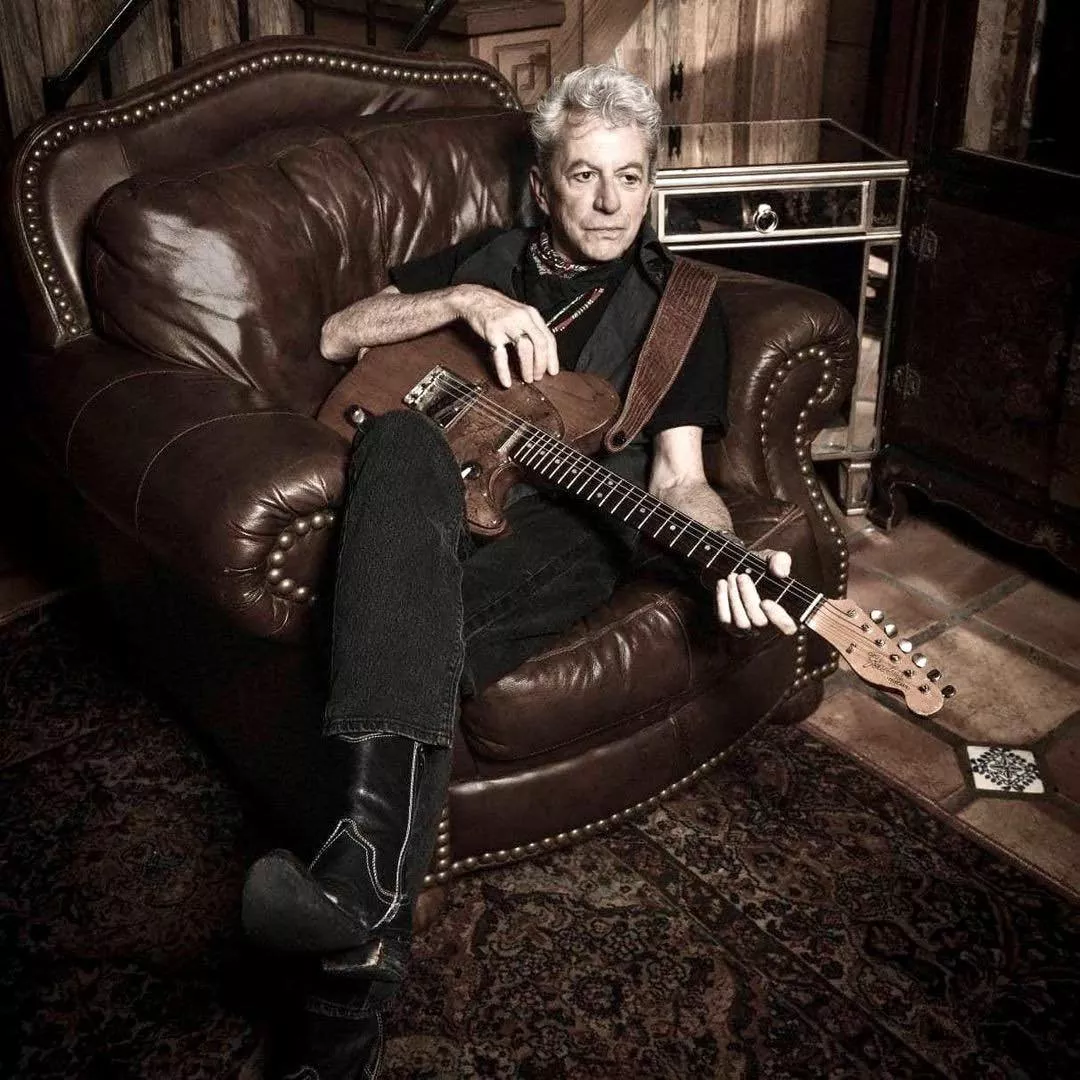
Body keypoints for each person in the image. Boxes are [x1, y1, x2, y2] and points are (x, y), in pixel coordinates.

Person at [242, 64, 797, 1078]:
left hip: (570, 523)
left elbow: (680, 480)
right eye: (584, 175)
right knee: (397, 442)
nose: (609, 203)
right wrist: (464, 298)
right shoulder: (493, 256)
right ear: (544, 183)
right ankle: (363, 907)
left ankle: (352, 941)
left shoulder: (681, 309)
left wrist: (734, 550)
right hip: (438, 486)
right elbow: (336, 334)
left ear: (652, 182)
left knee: (397, 625)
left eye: (630, 177)